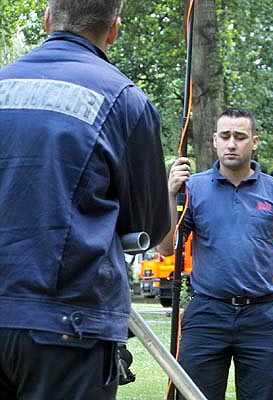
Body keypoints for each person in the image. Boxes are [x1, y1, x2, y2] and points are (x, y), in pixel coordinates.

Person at [0, 1, 170, 399]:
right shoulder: (125, 100)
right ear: (114, 29)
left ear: (47, 19)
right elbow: (148, 223)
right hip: (69, 325)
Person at [157, 108, 273, 400]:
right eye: (225, 136)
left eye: (240, 136)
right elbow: (165, 248)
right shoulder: (192, 188)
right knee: (193, 395)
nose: (231, 143)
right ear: (215, 140)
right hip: (207, 313)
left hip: (263, 316)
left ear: (255, 141)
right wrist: (170, 193)